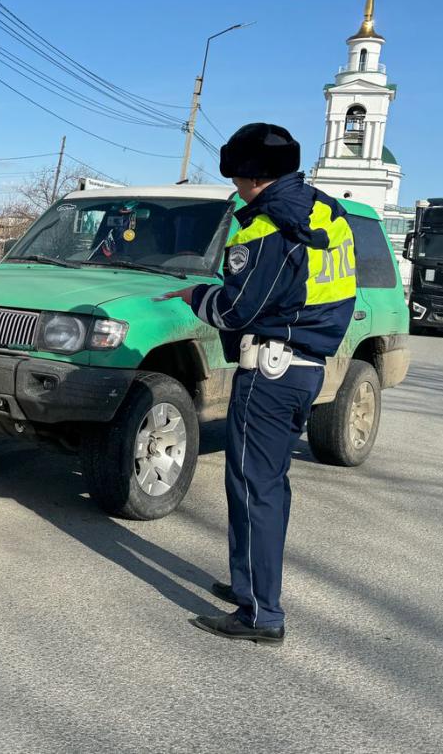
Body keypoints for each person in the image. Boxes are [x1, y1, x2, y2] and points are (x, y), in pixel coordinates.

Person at [157, 123, 355, 645]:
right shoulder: (326, 212)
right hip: (305, 365)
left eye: (236, 178)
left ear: (248, 175)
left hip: (271, 369)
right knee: (269, 485)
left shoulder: (268, 225)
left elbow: (237, 308)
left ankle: (261, 613)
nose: (235, 188)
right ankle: (250, 584)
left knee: (253, 488)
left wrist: (196, 297)